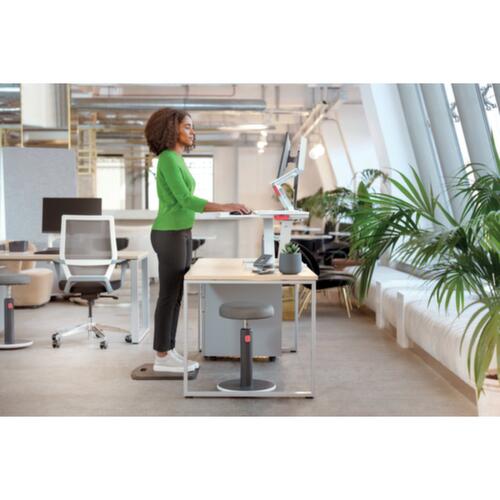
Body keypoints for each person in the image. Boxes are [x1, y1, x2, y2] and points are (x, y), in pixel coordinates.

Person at [144, 108, 251, 373]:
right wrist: (226, 205)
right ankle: (161, 356)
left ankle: (168, 351)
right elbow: (185, 199)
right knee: (168, 296)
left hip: (181, 231)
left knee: (177, 295)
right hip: (169, 233)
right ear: (172, 129)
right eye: (187, 126)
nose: (193, 132)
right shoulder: (167, 159)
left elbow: (186, 201)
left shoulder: (177, 159)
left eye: (192, 127)